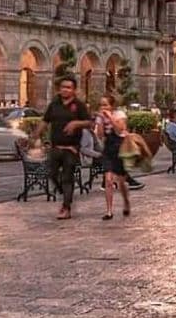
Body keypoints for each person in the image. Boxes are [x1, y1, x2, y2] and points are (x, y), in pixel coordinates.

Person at [42, 74, 92, 220]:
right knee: (51, 174)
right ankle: (65, 195)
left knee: (67, 177)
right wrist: (35, 136)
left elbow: (89, 123)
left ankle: (66, 207)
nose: (65, 90)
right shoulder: (54, 104)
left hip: (71, 149)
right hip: (56, 147)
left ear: (74, 90)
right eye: (63, 87)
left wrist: (76, 123)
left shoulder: (79, 106)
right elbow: (45, 121)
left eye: (68, 87)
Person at [100, 105, 131, 220]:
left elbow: (120, 129)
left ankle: (126, 201)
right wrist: (100, 124)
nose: (104, 107)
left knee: (122, 183)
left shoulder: (119, 115)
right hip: (108, 153)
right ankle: (109, 211)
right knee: (108, 180)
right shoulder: (104, 119)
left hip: (120, 152)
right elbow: (100, 135)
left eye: (106, 104)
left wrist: (111, 118)